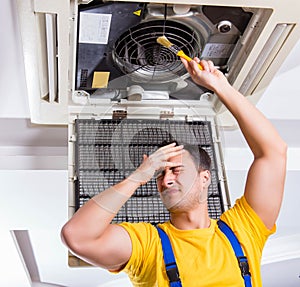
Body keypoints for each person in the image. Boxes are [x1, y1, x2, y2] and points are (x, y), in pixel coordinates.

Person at [61, 58, 287, 287]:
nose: (165, 180)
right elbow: (78, 237)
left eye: (176, 170)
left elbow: (273, 153)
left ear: (204, 178)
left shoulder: (242, 230)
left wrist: (221, 87)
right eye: (160, 174)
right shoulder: (148, 244)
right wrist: (138, 176)